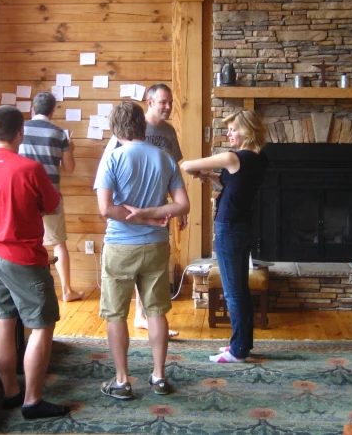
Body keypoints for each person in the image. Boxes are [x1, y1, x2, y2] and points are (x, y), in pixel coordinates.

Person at [0, 105, 70, 419]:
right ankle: (33, 400)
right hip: (22, 256)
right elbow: (53, 207)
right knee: (41, 326)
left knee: (3, 321)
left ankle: (11, 391)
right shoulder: (30, 169)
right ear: (20, 133)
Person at [94, 102, 189, 399]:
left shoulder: (112, 158)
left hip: (120, 246)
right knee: (157, 311)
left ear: (116, 128)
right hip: (156, 245)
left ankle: (122, 381)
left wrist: (142, 214)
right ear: (142, 125)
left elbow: (105, 209)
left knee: (116, 315)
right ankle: (159, 376)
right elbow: (182, 205)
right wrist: (153, 214)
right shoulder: (164, 157)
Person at [181, 109, 268, 363]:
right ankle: (242, 344)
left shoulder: (233, 157)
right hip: (243, 226)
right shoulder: (258, 159)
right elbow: (235, 184)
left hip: (229, 228)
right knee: (239, 287)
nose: (228, 133)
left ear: (247, 131)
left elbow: (187, 166)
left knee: (233, 291)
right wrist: (211, 177)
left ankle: (238, 350)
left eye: (233, 129)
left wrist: (196, 170)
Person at [103, 83, 184, 336]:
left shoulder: (170, 132)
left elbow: (175, 172)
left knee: (149, 272)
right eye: (163, 102)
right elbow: (110, 173)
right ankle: (141, 316)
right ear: (149, 103)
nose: (168, 107)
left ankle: (144, 317)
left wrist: (178, 210)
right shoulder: (124, 136)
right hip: (128, 224)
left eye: (170, 102)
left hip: (158, 217)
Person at [20, 91, 83, 302]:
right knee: (58, 244)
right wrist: (70, 149)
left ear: (32, 108)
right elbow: (70, 168)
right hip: (50, 195)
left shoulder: (20, 130)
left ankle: (26, 291)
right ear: (53, 110)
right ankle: (67, 291)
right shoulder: (59, 134)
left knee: (25, 242)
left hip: (23, 195)